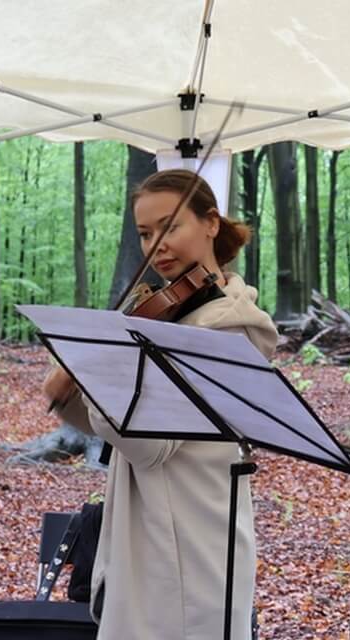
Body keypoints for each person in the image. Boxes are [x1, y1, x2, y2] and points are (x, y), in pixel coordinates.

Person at [42, 169, 276, 640]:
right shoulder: (169, 316)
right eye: (146, 234)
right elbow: (104, 425)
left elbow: (152, 444)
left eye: (170, 227)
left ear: (211, 223)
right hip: (146, 532)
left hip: (190, 545)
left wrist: (100, 369)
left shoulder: (233, 328)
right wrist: (69, 387)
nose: (156, 246)